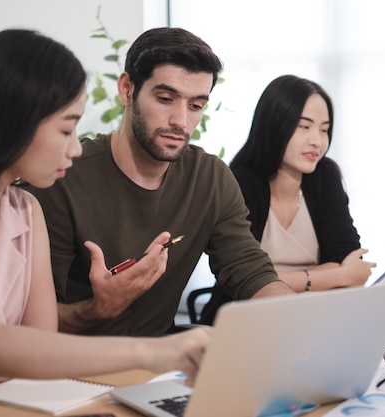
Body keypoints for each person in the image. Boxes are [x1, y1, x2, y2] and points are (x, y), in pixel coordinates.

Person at [0, 29, 210, 388]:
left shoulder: (25, 211)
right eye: (66, 129)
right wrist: (150, 352)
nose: (76, 149)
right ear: (14, 123)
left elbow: (40, 348)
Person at [26, 27, 293, 337]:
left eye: (195, 106)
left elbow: (249, 271)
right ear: (127, 89)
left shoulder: (211, 178)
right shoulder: (63, 177)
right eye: (166, 99)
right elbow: (30, 321)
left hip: (161, 364)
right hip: (75, 368)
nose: (181, 121)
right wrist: (98, 310)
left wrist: (297, 314)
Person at [231, 75, 375, 291]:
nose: (317, 141)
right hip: (251, 315)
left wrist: (278, 278)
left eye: (324, 129)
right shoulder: (240, 183)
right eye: (304, 127)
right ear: (274, 126)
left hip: (318, 311)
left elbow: (348, 255)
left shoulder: (324, 175)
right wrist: (340, 274)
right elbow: (244, 278)